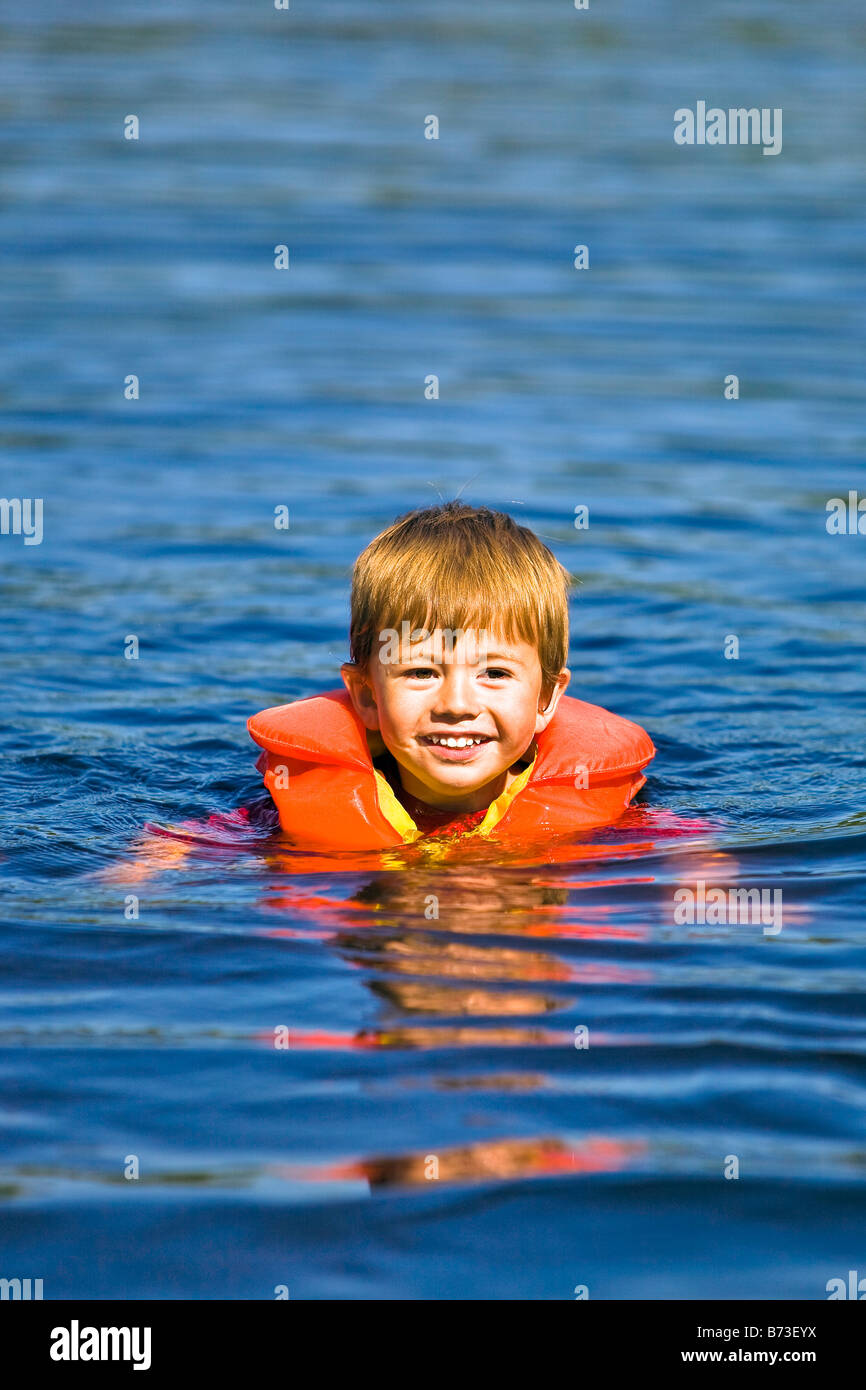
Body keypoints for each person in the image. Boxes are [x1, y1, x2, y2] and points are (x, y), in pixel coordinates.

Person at [248, 501, 656, 848]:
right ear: (368, 696)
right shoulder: (274, 812)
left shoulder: (617, 821)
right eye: (422, 672)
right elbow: (190, 846)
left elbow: (697, 856)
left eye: (494, 673)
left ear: (546, 699)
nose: (457, 705)